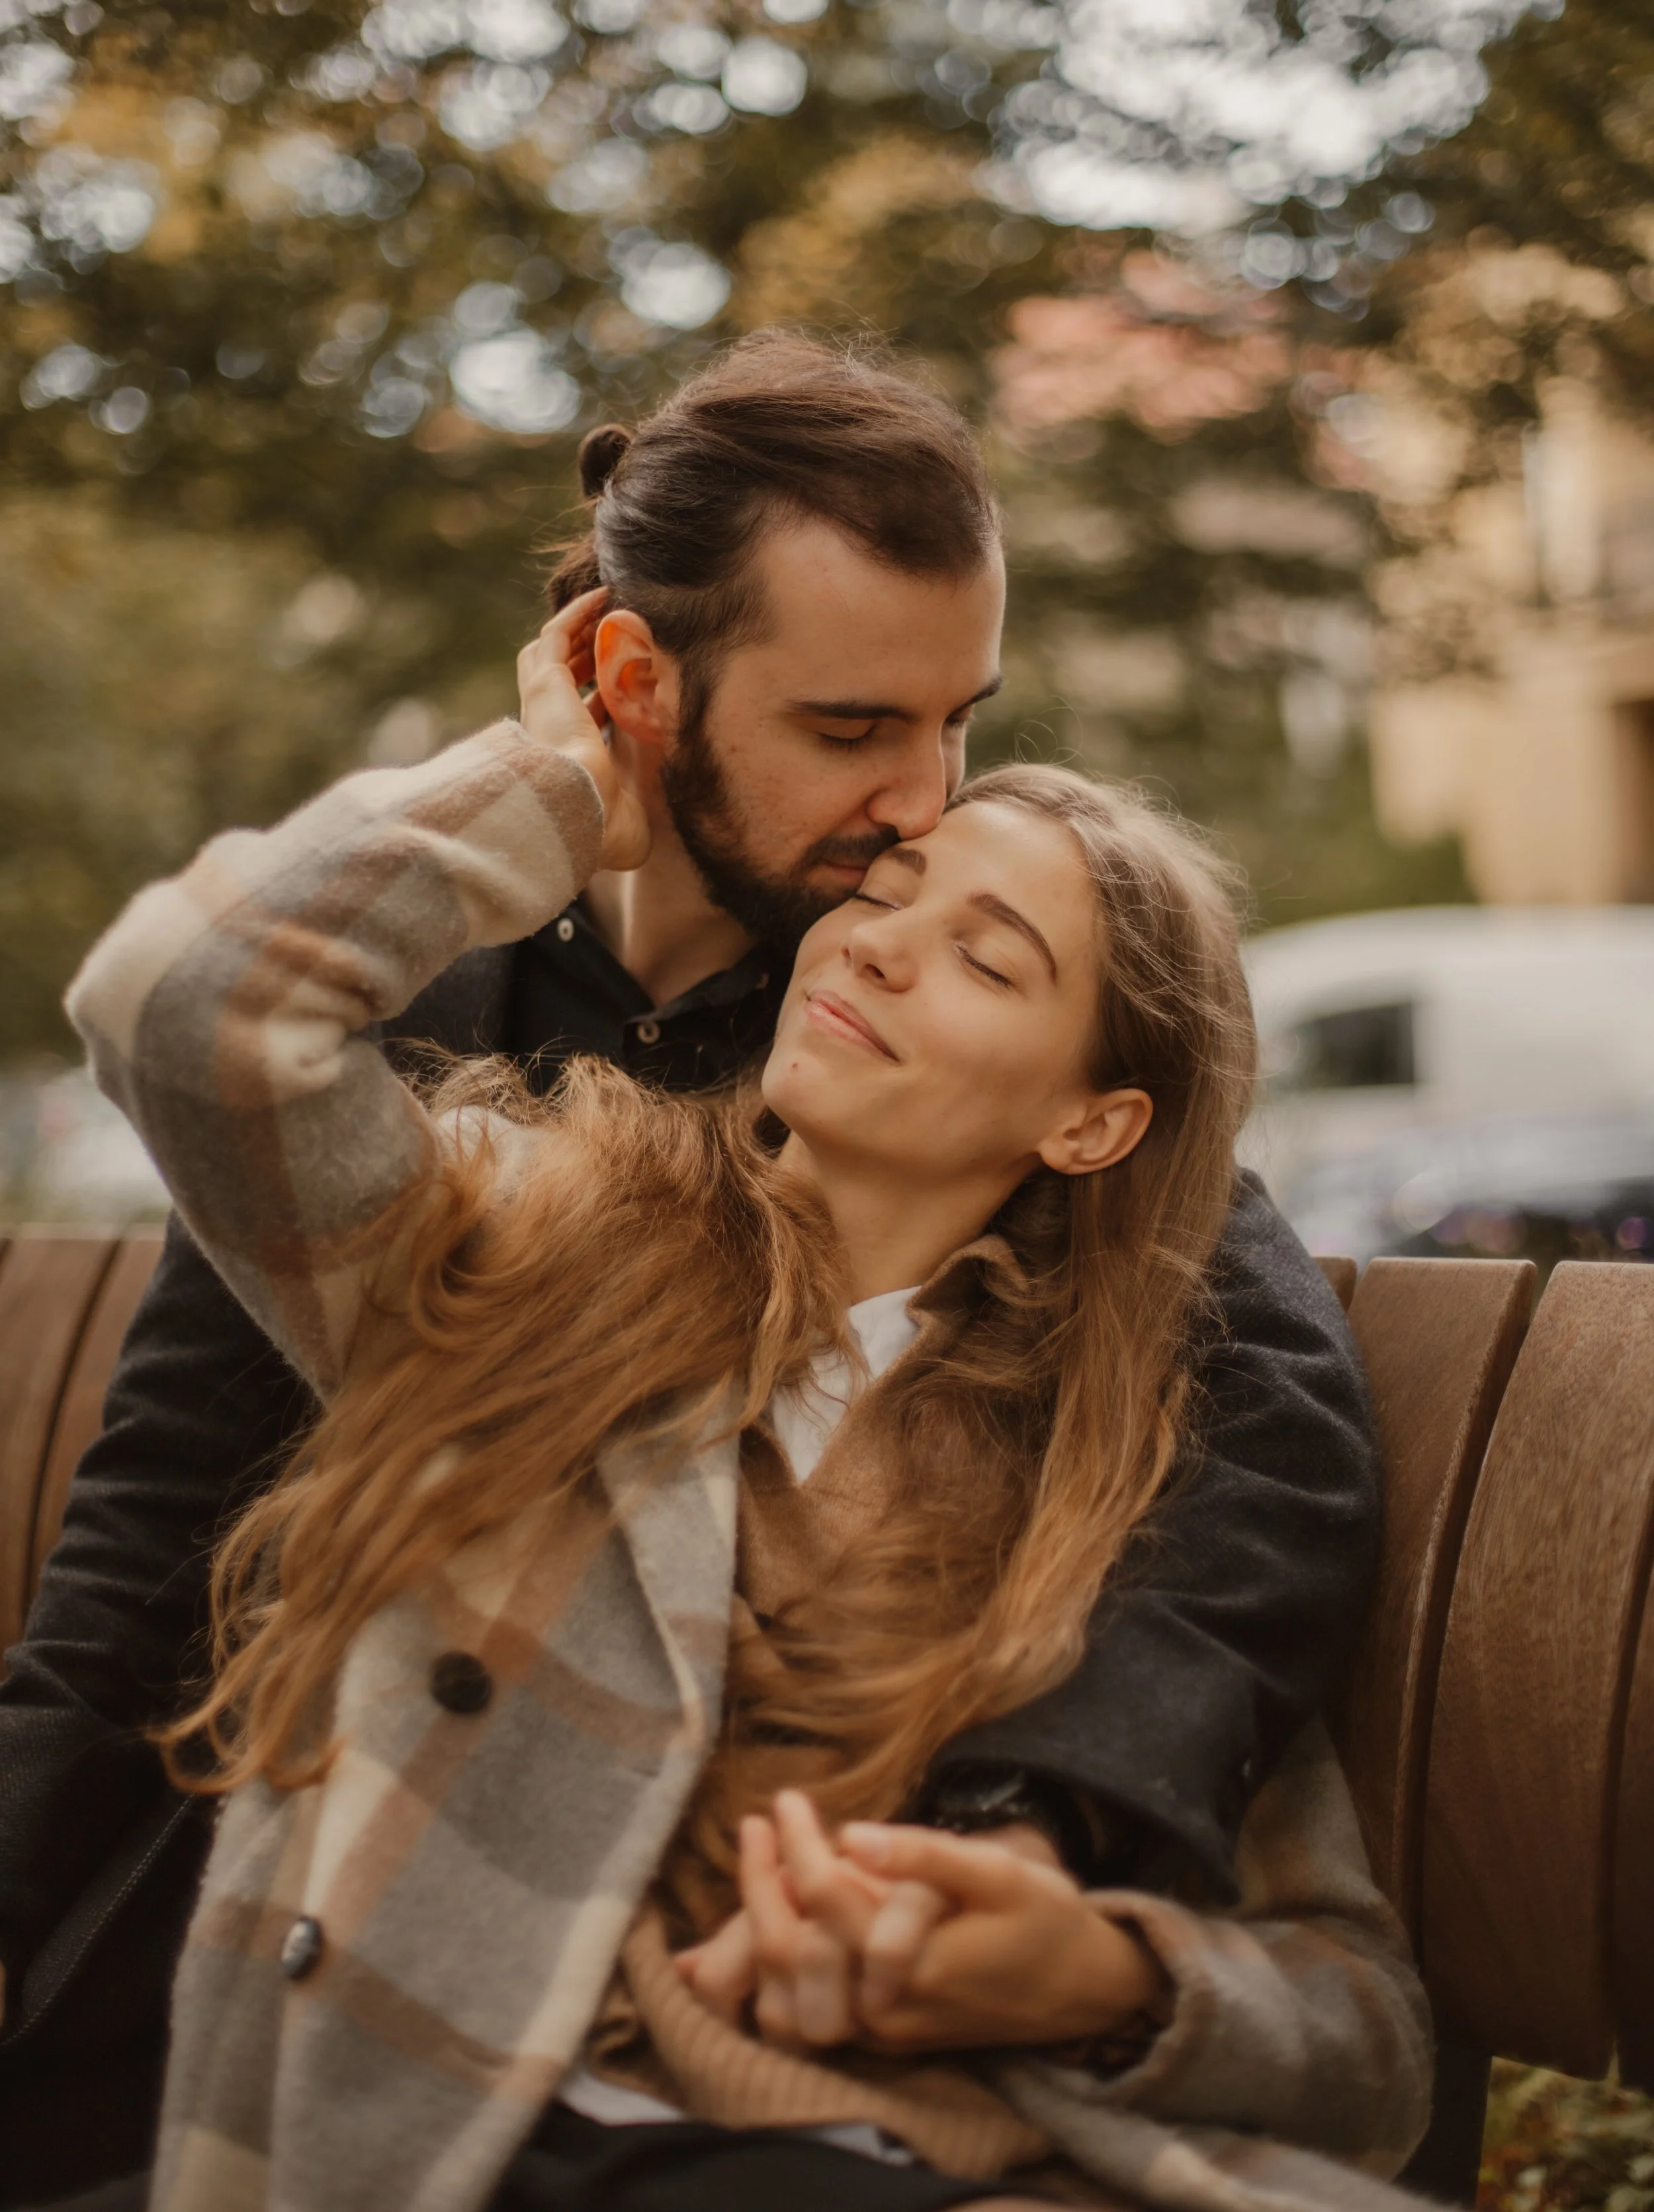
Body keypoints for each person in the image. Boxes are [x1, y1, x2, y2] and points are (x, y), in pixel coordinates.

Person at [0, 339, 1377, 2202]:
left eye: (958, 721)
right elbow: (159, 1506)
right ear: (639, 684)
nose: (918, 805)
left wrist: (1048, 1841)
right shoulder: (463, 1101)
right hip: (370, 1922)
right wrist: (549, 789)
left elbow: (1249, 1383)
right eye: (852, 728)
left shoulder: (996, 1197)